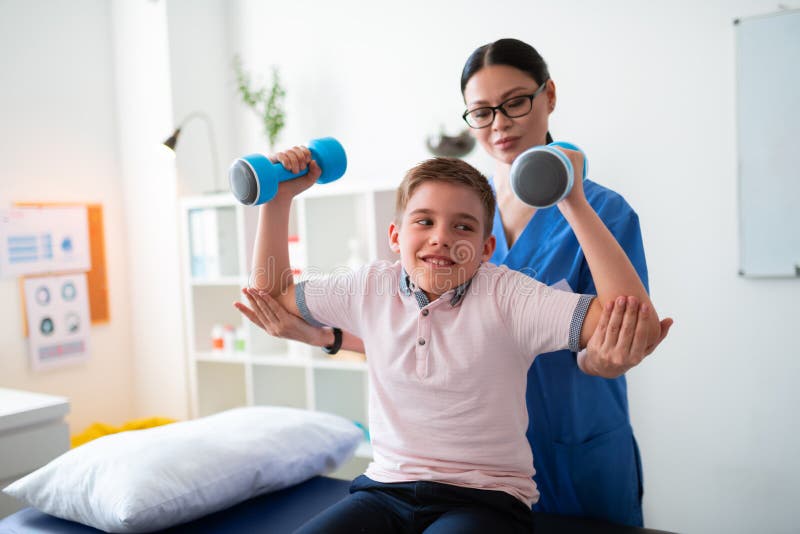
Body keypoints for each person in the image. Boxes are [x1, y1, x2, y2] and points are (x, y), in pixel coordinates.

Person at [237, 38, 673, 527]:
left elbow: (621, 328)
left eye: (515, 102)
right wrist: (328, 335)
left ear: (549, 95)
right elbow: (427, 329)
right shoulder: (460, 207)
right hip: (438, 458)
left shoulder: (599, 213)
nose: (500, 123)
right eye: (482, 111)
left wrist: (605, 357)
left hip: (566, 440)